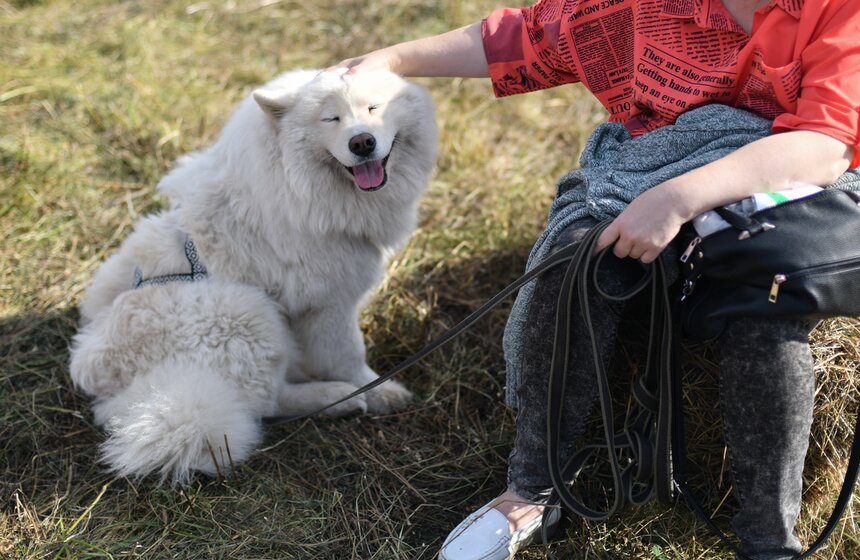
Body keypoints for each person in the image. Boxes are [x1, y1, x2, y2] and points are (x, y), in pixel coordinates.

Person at [331, 1, 859, 559]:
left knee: (762, 308)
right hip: (656, 156)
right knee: (574, 259)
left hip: (785, 177)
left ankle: (769, 543)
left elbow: (824, 146)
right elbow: (524, 38)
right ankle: (533, 488)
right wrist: (390, 59)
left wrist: (677, 200)